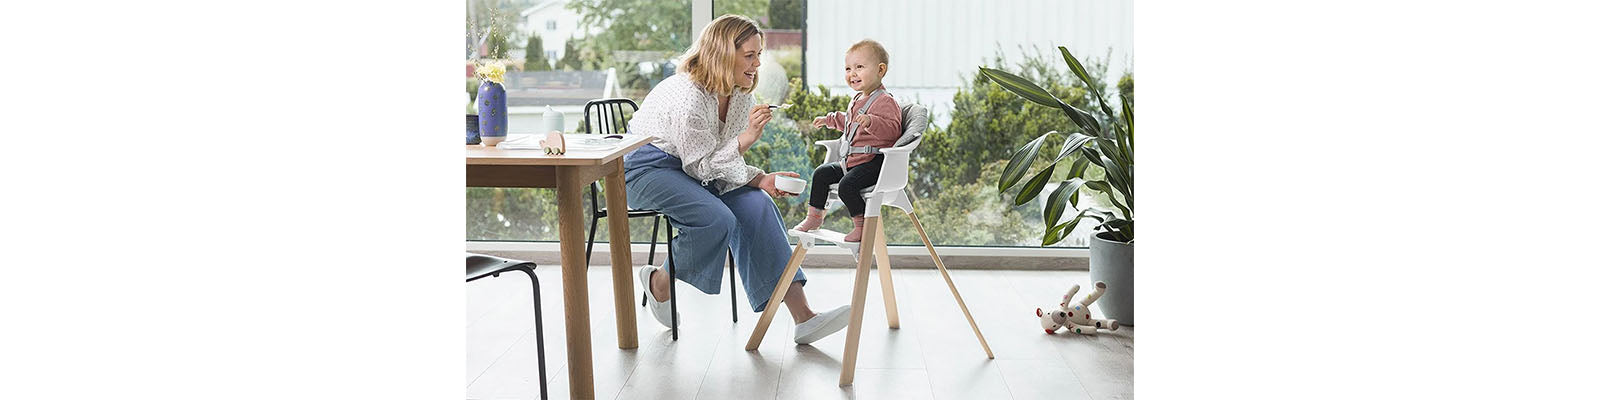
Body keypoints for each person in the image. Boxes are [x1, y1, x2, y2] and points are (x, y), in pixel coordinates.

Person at [622, 14, 852, 344]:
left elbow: (718, 160)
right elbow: (702, 167)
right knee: (715, 218)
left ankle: (804, 318)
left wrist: (760, 180)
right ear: (722, 53)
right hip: (649, 170)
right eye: (750, 55)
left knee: (758, 206)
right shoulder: (687, 97)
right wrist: (747, 139)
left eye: (759, 55)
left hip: (695, 168)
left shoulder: (741, 94)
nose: (758, 63)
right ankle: (660, 282)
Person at [792, 39, 902, 242]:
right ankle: (814, 217)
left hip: (874, 163)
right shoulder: (857, 99)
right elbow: (849, 122)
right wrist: (830, 120)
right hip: (852, 162)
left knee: (846, 186)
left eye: (859, 67)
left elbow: (893, 131)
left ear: (880, 70)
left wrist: (871, 121)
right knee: (821, 173)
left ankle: (861, 225)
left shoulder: (885, 101)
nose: (852, 73)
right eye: (848, 68)